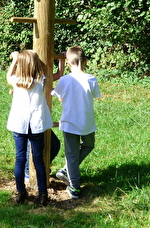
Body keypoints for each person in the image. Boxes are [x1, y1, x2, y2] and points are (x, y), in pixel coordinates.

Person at [51, 46, 101, 199]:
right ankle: (74, 187)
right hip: (83, 121)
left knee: (83, 149)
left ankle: (67, 170)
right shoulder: (91, 79)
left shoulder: (65, 80)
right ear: (85, 61)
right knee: (80, 150)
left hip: (74, 122)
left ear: (68, 63)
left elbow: (57, 96)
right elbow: (94, 95)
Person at [6, 50, 53, 206]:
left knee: (20, 159)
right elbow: (42, 70)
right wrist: (34, 58)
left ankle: (21, 192)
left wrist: (15, 59)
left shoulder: (15, 80)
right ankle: (43, 194)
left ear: (21, 65)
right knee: (39, 160)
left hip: (19, 125)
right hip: (36, 126)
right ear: (35, 65)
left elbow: (8, 75)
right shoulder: (40, 80)